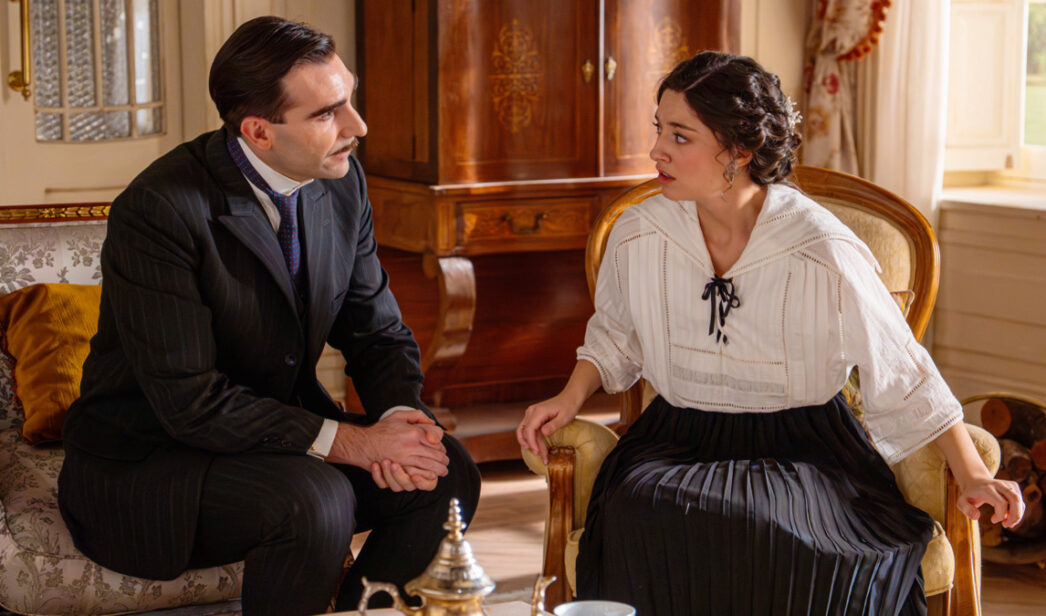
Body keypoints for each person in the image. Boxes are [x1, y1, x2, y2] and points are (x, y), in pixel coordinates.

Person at [517, 51, 1024, 615]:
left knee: (786, 538)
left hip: (807, 452)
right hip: (676, 442)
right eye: (659, 129)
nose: (657, 150)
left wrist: (972, 473)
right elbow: (614, 337)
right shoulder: (639, 233)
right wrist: (569, 397)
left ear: (739, 150)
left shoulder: (822, 248)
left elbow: (902, 369)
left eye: (680, 136)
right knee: (646, 514)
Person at [58, 16, 480, 616]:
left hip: (276, 443)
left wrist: (400, 422)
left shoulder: (341, 181)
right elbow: (189, 401)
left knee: (447, 472)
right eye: (327, 113)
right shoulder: (159, 210)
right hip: (155, 466)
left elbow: (377, 331)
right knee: (315, 500)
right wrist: (354, 444)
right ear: (258, 131)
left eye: (350, 98)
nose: (358, 126)